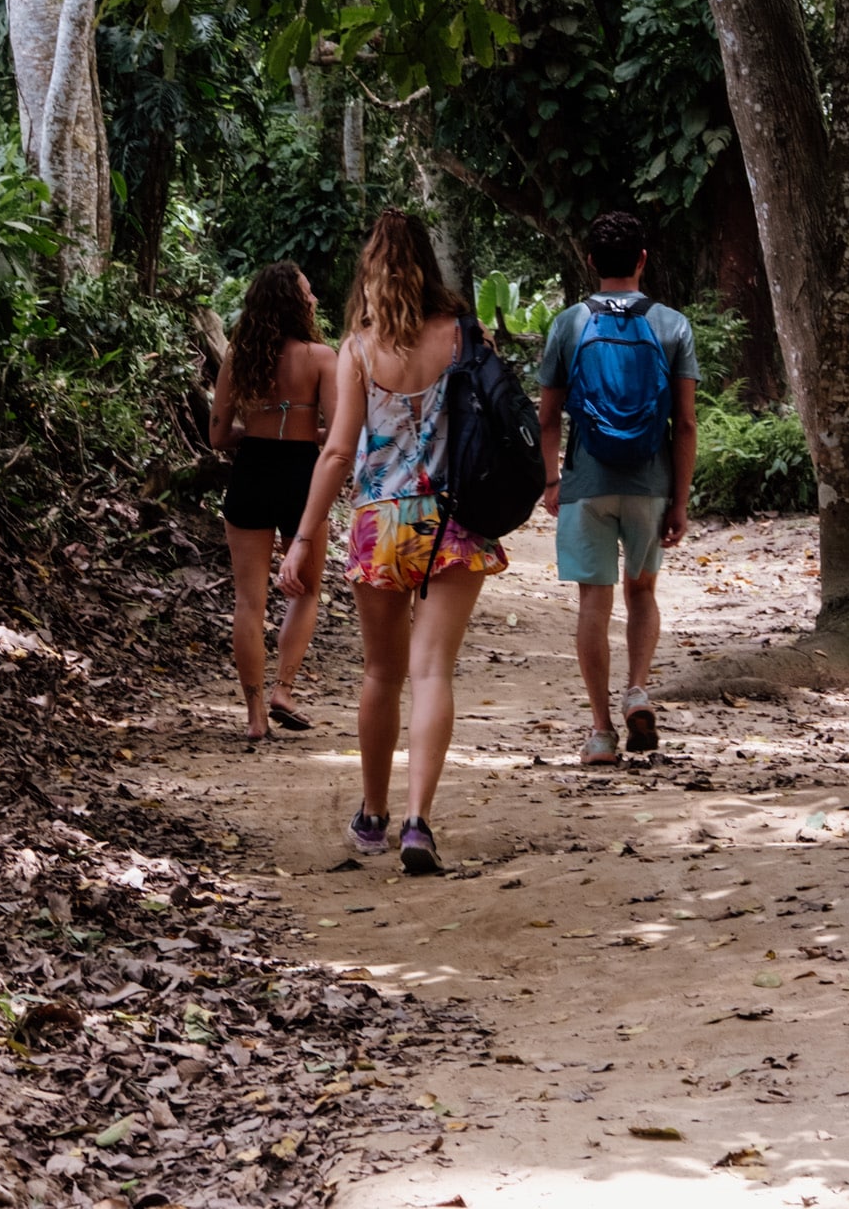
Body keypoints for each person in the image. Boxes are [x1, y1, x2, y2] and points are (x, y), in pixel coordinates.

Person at [279, 209, 506, 873]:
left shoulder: (357, 349)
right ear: (429, 265)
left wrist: (302, 537)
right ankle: (418, 824)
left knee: (382, 672)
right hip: (455, 519)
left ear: (369, 270)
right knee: (434, 671)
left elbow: (337, 451)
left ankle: (373, 816)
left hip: (382, 522)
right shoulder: (464, 337)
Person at [538, 211, 698, 766]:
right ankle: (636, 690)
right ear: (642, 260)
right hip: (650, 484)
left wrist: (553, 478)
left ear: (589, 261)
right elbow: (686, 422)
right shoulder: (672, 325)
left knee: (594, 601)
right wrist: (679, 499)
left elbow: (549, 417)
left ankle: (602, 732)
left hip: (587, 483)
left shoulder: (568, 324)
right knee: (642, 592)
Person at [210, 262, 338, 745]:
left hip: (252, 473)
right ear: (292, 301)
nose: (314, 300)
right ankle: (285, 688)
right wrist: (306, 429)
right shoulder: (323, 358)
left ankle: (255, 714)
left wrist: (257, 430)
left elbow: (218, 435)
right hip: (302, 476)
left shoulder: (237, 356)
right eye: (308, 292)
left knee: (249, 601)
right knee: (304, 591)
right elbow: (339, 432)